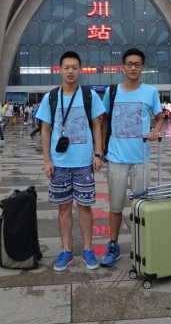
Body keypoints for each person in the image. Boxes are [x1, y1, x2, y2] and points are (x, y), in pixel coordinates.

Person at [37, 51, 105, 272]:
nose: (70, 71)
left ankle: (87, 249)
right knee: (64, 207)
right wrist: (47, 160)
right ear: (60, 70)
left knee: (85, 207)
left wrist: (98, 154)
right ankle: (66, 251)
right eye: (66, 67)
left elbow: (96, 125)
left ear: (80, 70)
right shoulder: (51, 97)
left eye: (74, 67)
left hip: (84, 163)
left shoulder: (89, 96)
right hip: (59, 164)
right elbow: (45, 130)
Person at [100, 48, 164, 268]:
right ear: (123, 67)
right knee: (116, 206)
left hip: (141, 158)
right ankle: (113, 245)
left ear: (143, 67)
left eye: (137, 64)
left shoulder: (150, 92)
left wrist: (155, 130)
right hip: (116, 158)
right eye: (129, 64)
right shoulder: (112, 92)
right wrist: (102, 149)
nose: (133, 68)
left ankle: (141, 245)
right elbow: (105, 121)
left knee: (140, 206)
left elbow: (160, 117)